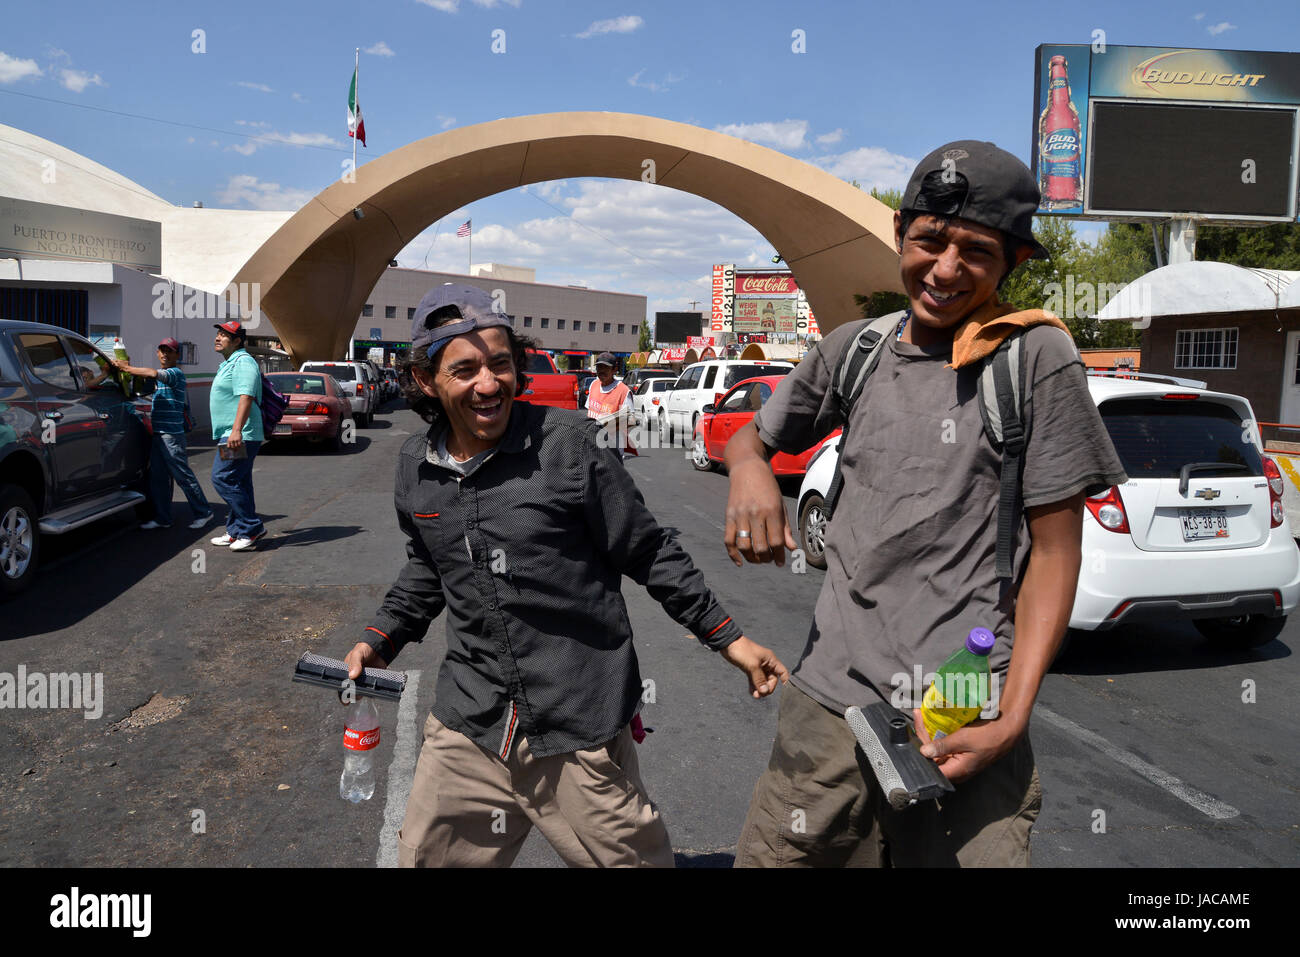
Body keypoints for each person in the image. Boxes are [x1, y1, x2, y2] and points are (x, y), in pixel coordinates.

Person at [723, 140, 1127, 867]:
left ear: (1015, 263)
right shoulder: (856, 349)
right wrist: (750, 468)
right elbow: (748, 441)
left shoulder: (1034, 359)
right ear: (900, 234)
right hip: (828, 710)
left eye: (976, 251)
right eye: (929, 240)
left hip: (963, 712)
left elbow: (1058, 553)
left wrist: (1014, 713)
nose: (945, 268)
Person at [342, 283, 789, 868]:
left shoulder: (570, 444)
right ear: (426, 381)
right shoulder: (415, 468)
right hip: (469, 723)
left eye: (501, 364)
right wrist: (380, 638)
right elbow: (429, 565)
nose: (488, 384)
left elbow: (648, 551)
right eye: (465, 369)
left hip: (577, 724)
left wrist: (728, 638)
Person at [114, 338, 214, 530]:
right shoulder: (161, 379)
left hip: (171, 436)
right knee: (158, 479)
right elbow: (142, 385)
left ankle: (204, 512)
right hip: (159, 435)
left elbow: (151, 372)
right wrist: (127, 368)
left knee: (183, 476)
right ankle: (163, 518)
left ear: (177, 355)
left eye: (170, 351)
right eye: (162, 350)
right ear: (157, 353)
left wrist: (126, 367)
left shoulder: (174, 374)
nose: (165, 354)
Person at [208, 320, 266, 552]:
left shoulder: (243, 362)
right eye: (218, 334)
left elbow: (246, 396)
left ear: (237, 341)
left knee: (222, 478)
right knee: (239, 481)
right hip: (233, 433)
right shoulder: (230, 363)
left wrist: (236, 430)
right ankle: (236, 531)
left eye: (224, 335)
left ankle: (251, 527)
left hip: (239, 434)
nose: (218, 338)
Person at [585, 351, 635, 457]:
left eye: (606, 368)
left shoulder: (623, 391)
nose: (601, 371)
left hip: (612, 451)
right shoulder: (593, 385)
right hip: (592, 447)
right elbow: (588, 412)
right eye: (599, 367)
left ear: (614, 370)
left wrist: (604, 427)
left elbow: (630, 420)